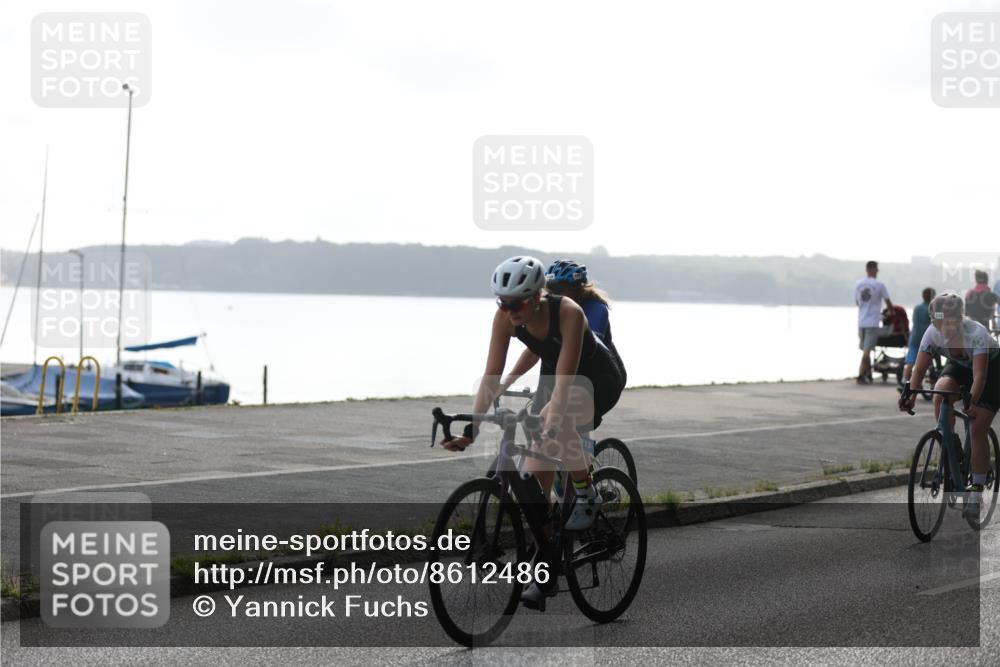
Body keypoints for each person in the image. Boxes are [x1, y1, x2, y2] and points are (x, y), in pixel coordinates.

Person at [440, 256, 625, 606]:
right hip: (563, 381)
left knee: (561, 419)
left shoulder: (570, 312)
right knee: (537, 484)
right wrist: (472, 429)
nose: (510, 310)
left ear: (538, 295)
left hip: (599, 378)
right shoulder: (506, 318)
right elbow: (491, 375)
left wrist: (551, 416)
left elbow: (565, 381)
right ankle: (547, 568)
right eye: (502, 302)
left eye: (517, 302)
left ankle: (587, 493)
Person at [900, 291, 1000, 518]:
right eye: (937, 322)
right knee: (940, 392)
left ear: (958, 319)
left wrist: (971, 401)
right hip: (959, 367)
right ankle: (950, 442)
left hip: (991, 372)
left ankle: (976, 490)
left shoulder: (976, 333)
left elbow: (980, 376)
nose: (942, 327)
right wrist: (911, 396)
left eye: (947, 322)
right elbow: (919, 369)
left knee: (977, 428)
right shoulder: (932, 332)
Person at [502, 259, 627, 415]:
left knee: (561, 419)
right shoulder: (552, 309)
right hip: (563, 365)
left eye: (560, 290)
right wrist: (507, 381)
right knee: (535, 419)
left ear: (578, 289)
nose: (554, 295)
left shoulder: (595, 309)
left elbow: (582, 350)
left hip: (598, 371)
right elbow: (534, 350)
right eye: (551, 290)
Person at [854, 261, 894, 384]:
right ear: (873, 270)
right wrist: (891, 312)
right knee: (867, 351)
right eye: (877, 269)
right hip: (872, 322)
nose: (877, 272)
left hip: (861, 321)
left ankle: (868, 374)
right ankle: (861, 375)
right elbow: (888, 301)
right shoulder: (879, 285)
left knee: (866, 350)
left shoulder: (858, 284)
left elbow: (857, 302)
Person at [902, 288, 935, 385]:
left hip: (914, 337)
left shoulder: (916, 308)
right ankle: (932, 379)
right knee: (928, 360)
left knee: (910, 361)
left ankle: (904, 381)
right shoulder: (932, 309)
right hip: (925, 338)